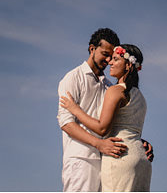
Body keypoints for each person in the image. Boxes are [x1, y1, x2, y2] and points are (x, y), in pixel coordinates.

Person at [57, 29, 153, 192]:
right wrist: (98, 144)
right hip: (82, 158)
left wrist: (136, 141)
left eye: (112, 56)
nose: (109, 61)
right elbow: (66, 123)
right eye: (105, 54)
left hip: (109, 157)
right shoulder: (73, 78)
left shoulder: (110, 86)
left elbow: (118, 121)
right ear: (92, 49)